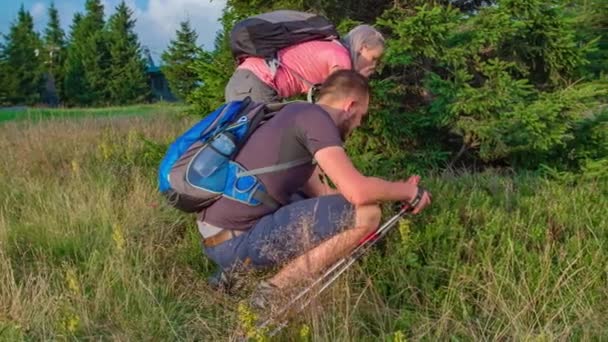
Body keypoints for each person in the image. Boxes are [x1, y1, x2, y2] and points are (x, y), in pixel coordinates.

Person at [200, 70, 431, 308]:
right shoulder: (317, 120)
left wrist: (387, 192)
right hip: (236, 241)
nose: (359, 123)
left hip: (218, 237)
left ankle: (229, 274)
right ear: (350, 105)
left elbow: (323, 196)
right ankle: (269, 294)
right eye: (361, 115)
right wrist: (408, 192)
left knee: (319, 201)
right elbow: (357, 193)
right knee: (368, 215)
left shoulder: (293, 113)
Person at [224, 24, 385, 104]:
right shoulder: (341, 58)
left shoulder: (330, 45)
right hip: (259, 84)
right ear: (362, 48)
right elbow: (334, 105)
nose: (374, 66)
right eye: (373, 58)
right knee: (271, 149)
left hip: (244, 80)